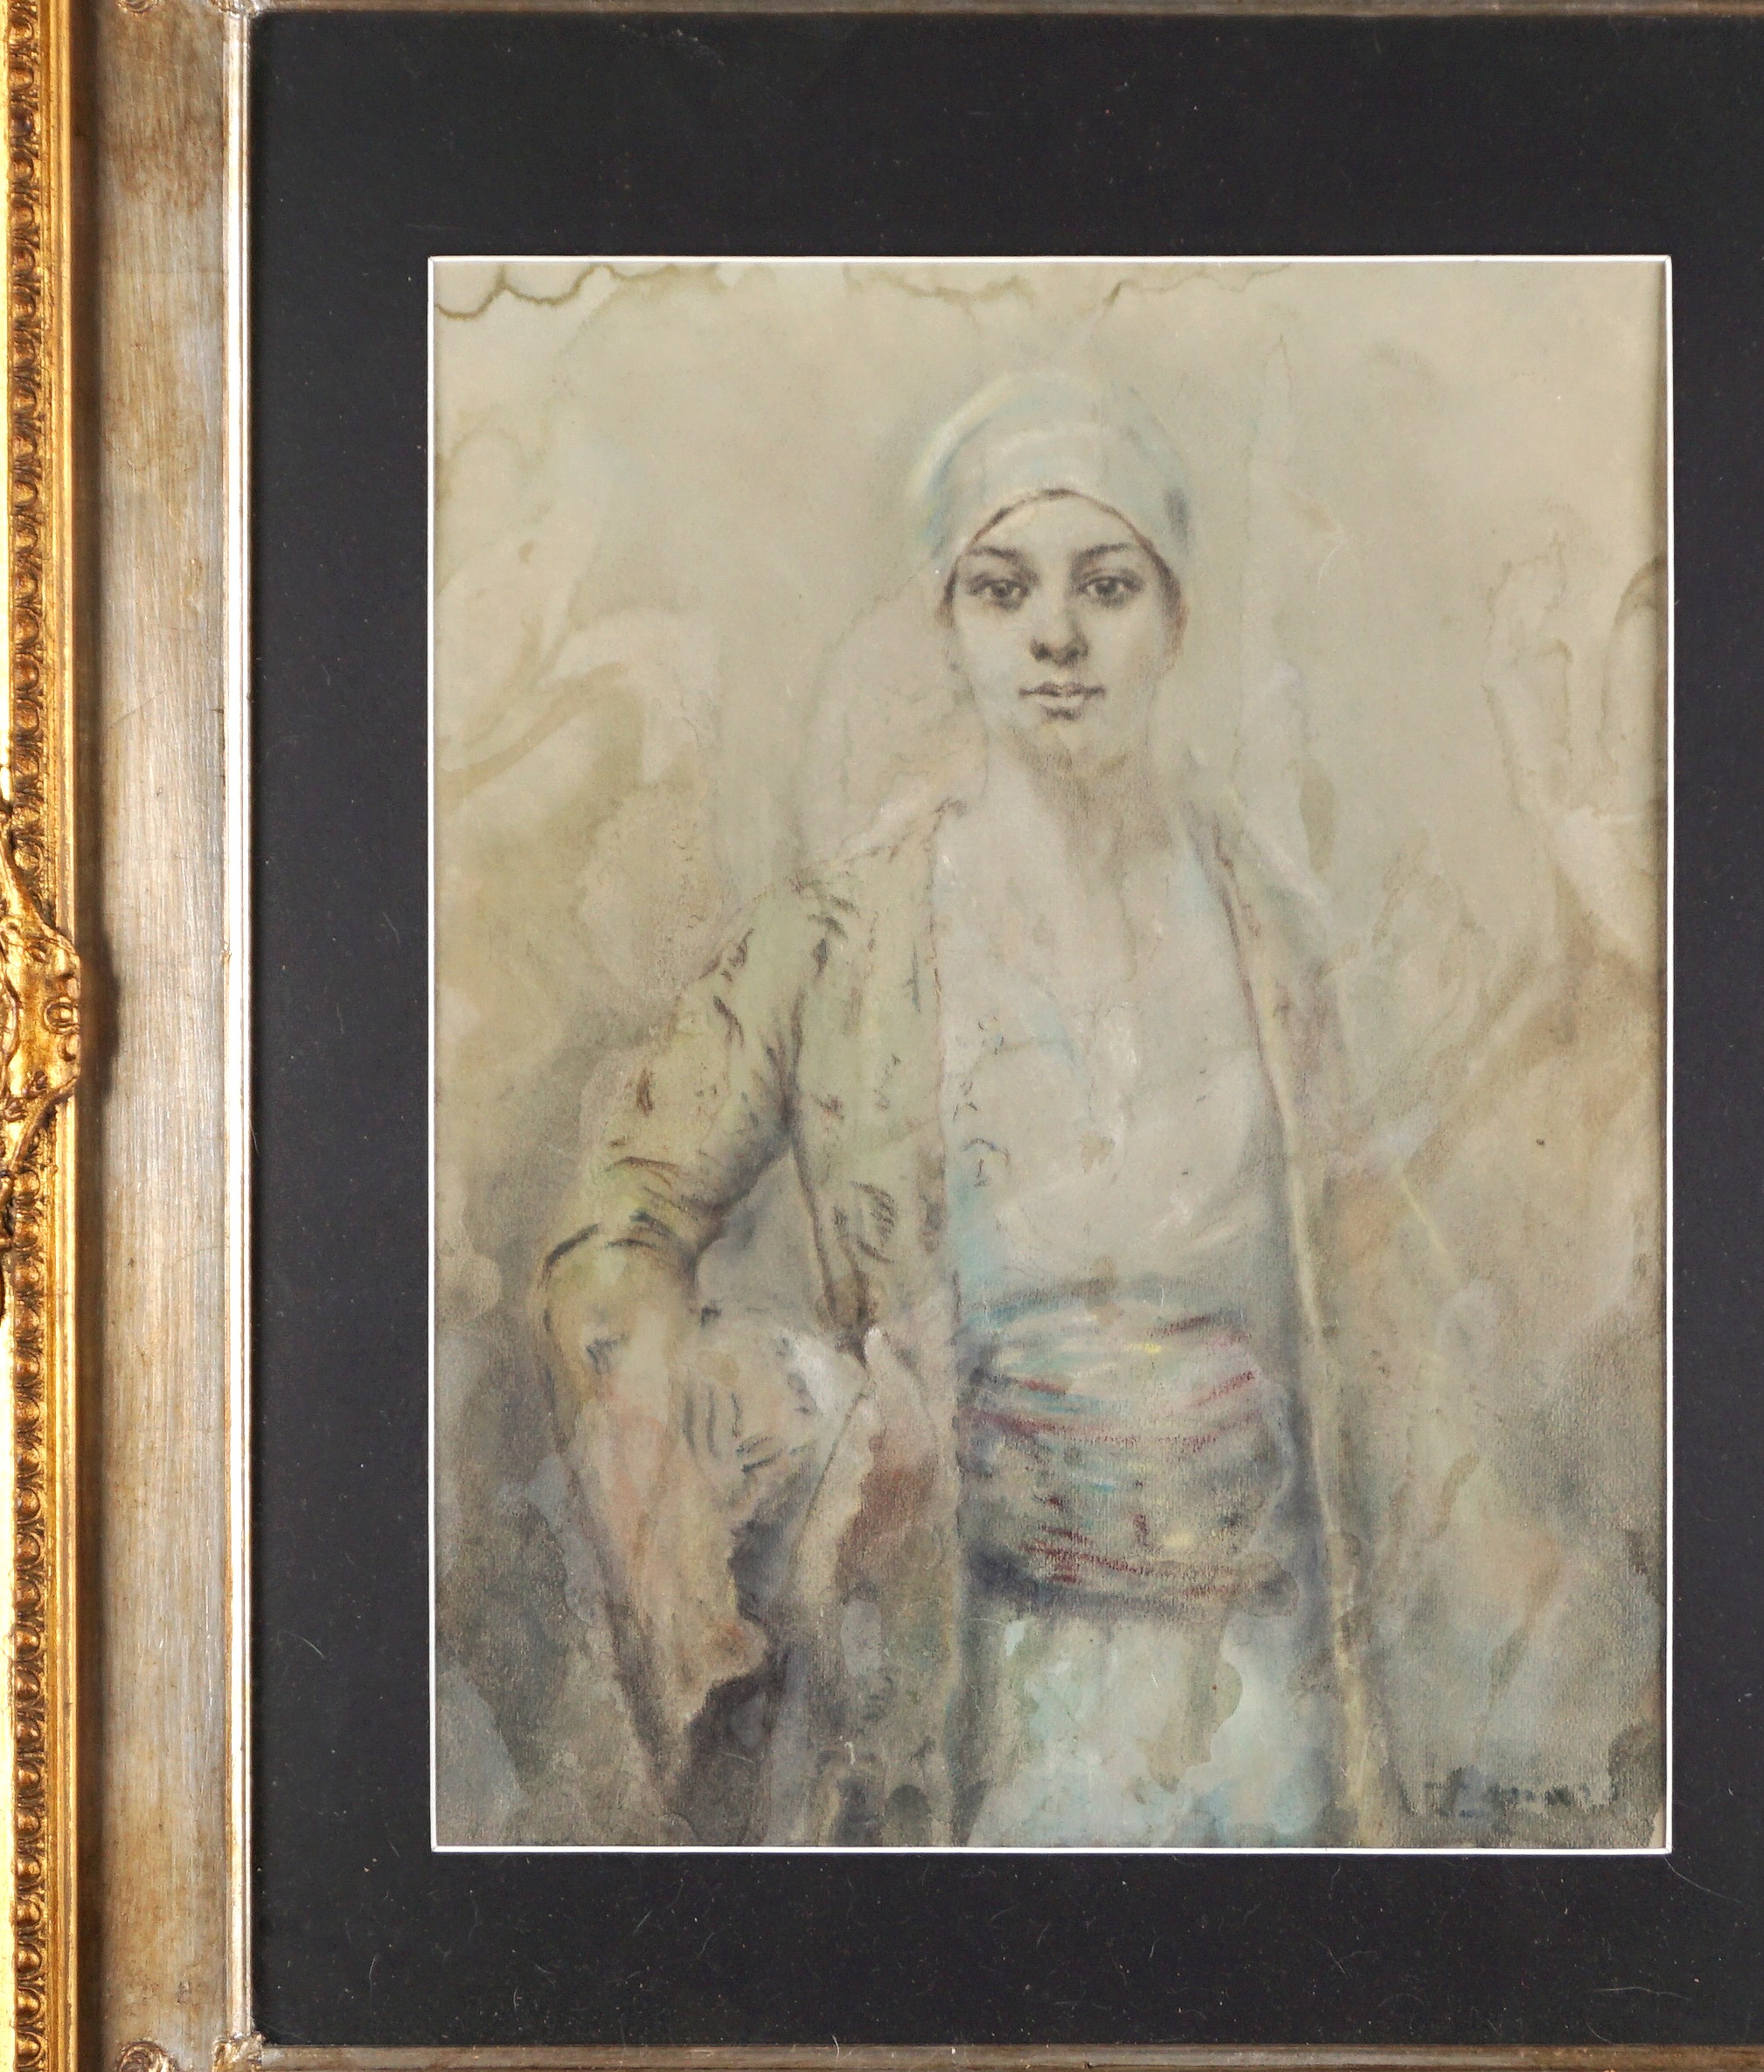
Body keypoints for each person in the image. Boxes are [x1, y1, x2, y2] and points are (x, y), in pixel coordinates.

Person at [538, 372, 1402, 1845]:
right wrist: (795, 1425)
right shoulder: (835, 939)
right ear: (947, 621)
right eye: (1002, 589)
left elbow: (1369, 1316)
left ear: (1174, 617)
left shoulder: (1270, 938)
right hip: (970, 1685)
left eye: (1106, 586)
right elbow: (617, 1227)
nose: (1056, 636)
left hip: (1255, 1681)